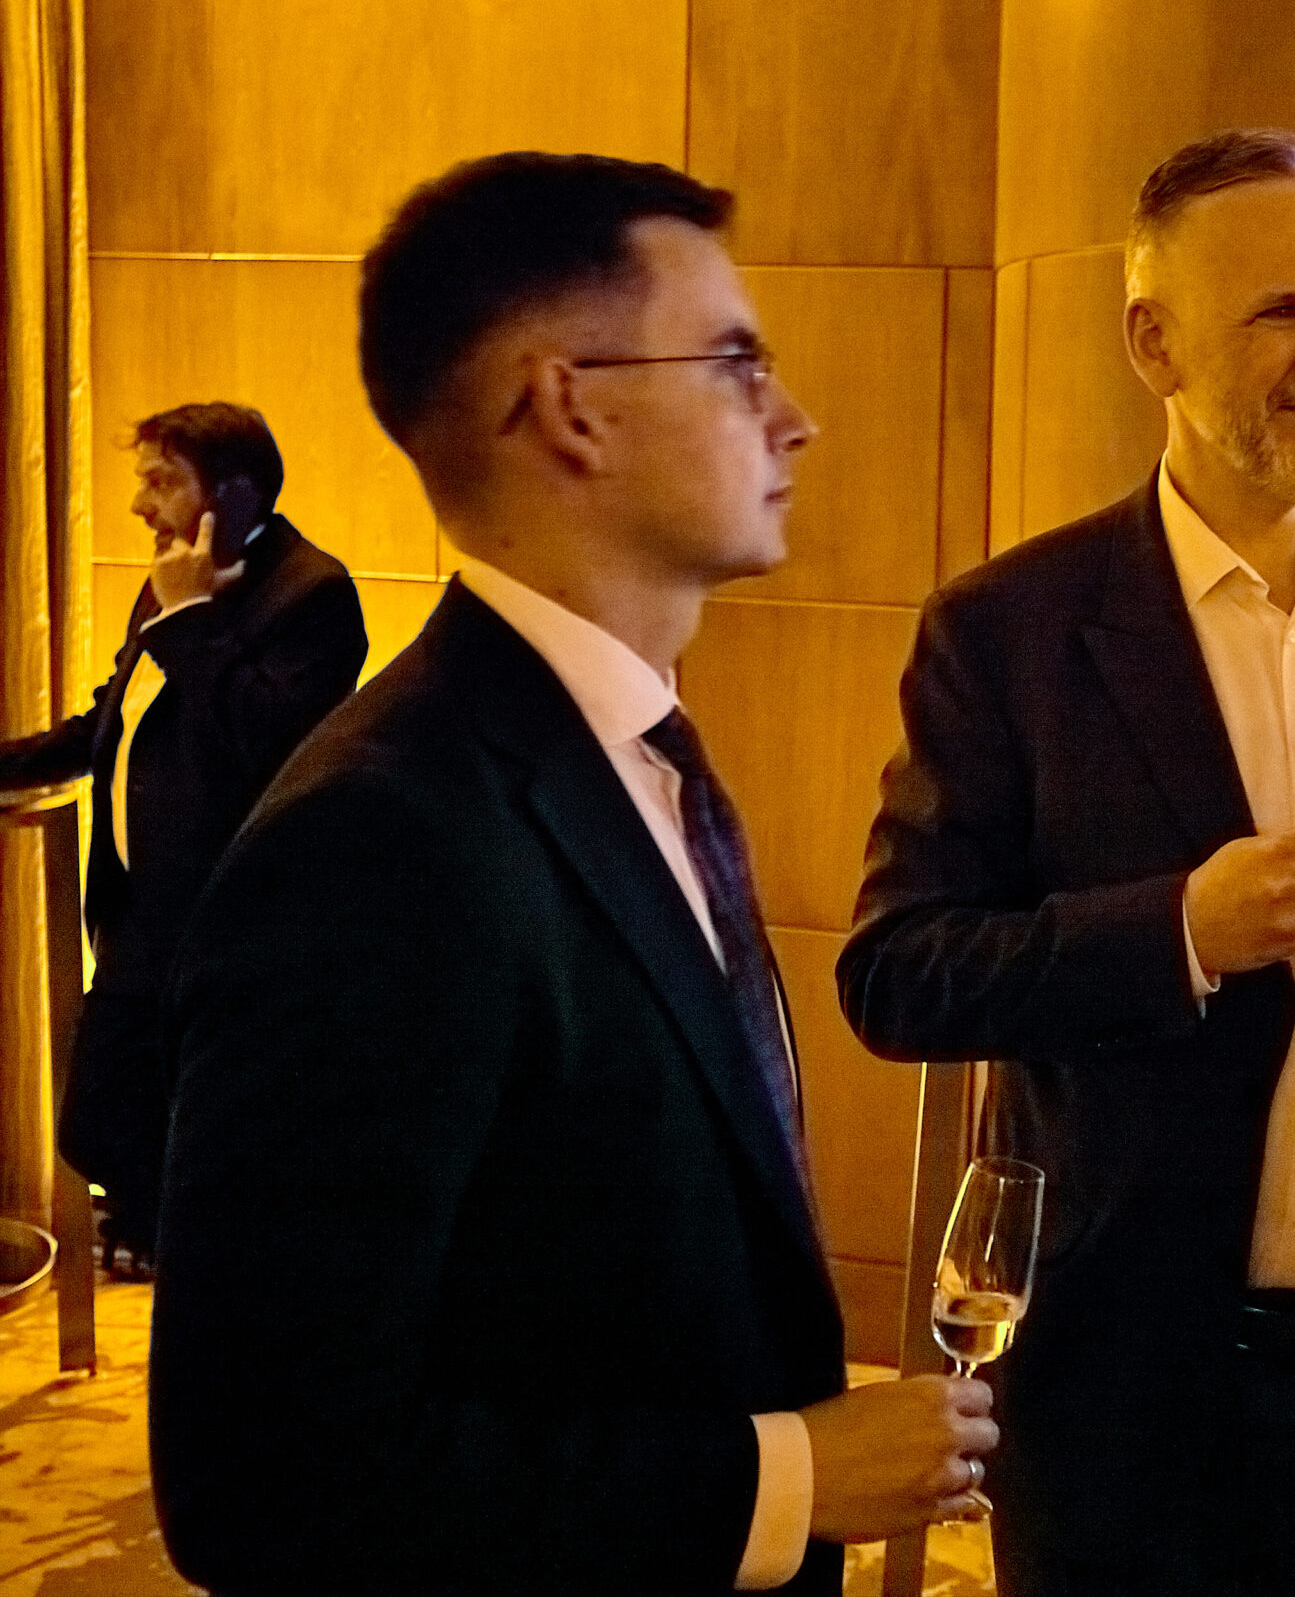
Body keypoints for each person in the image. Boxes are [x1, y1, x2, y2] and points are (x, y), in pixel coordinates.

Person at [150, 153, 996, 1597]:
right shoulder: (377, 839)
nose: (794, 415)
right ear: (570, 407)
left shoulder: (630, 752)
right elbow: (267, 1475)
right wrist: (783, 1478)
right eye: (736, 362)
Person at [840, 128, 1295, 1597]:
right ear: (1153, 343)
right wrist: (1177, 927)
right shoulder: (1013, 629)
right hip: (1128, 1391)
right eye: (1280, 311)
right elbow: (897, 970)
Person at [0, 402, 363, 1270]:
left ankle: (204, 1270)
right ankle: (169, 1243)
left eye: (161, 482)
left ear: (233, 494)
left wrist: (193, 616)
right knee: (100, 1117)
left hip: (238, 922)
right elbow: (113, 720)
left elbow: (260, 740)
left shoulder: (314, 592)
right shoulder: (169, 583)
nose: (140, 504)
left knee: (218, 1128)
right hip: (142, 914)